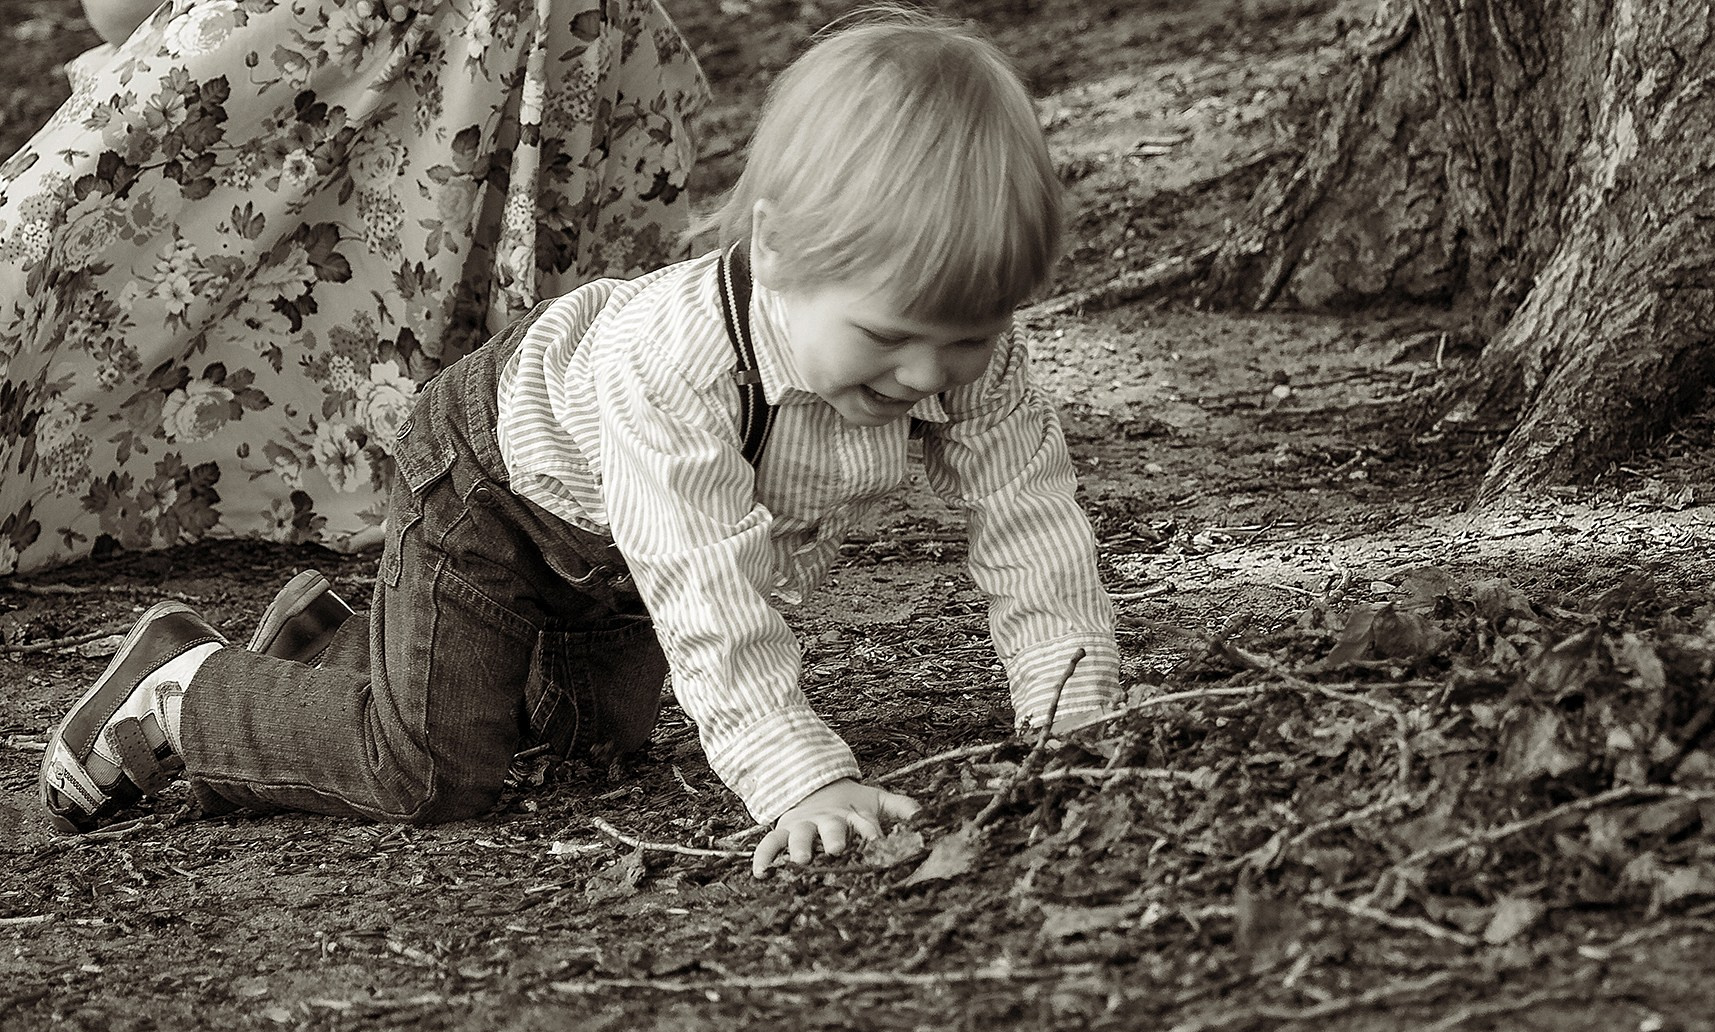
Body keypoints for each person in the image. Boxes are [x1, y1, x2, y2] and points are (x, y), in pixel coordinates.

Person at [38, 9, 1124, 878]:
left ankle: (335, 646)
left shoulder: (969, 351)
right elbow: (704, 583)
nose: (932, 374)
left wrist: (1072, 717)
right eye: (890, 338)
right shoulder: (678, 364)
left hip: (613, 558)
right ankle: (187, 689)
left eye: (970, 337)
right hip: (491, 491)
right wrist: (799, 779)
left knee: (585, 750)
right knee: (432, 771)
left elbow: (1031, 527)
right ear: (781, 250)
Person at [0, 0, 710, 574]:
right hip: (540, 46)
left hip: (359, 37)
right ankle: (456, 448)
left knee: (69, 242)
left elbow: (116, 16)